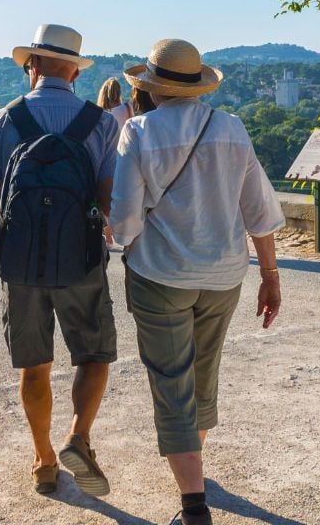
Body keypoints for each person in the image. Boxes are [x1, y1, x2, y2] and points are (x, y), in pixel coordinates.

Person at [109, 38, 285, 525]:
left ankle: (193, 506)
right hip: (226, 274)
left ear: (149, 86)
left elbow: (124, 221)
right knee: (203, 377)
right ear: (196, 84)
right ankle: (195, 474)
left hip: (159, 274)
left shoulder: (138, 132)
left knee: (172, 384)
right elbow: (260, 210)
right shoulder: (231, 128)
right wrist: (269, 275)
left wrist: (122, 235)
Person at [0, 23, 120, 498]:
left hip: (22, 263)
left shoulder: (1, 120)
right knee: (94, 354)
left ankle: (43, 460)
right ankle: (79, 437)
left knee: (33, 366)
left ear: (31, 66)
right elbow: (108, 200)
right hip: (81, 258)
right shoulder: (101, 122)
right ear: (75, 70)